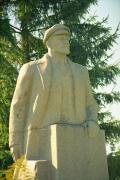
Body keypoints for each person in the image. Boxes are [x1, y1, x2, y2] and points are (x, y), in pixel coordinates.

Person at [9, 24, 99, 161]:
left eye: (67, 39)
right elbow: (18, 106)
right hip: (39, 142)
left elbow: (90, 103)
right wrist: (15, 141)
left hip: (77, 141)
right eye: (61, 38)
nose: (66, 42)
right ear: (49, 42)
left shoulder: (81, 72)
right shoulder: (31, 69)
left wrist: (92, 120)